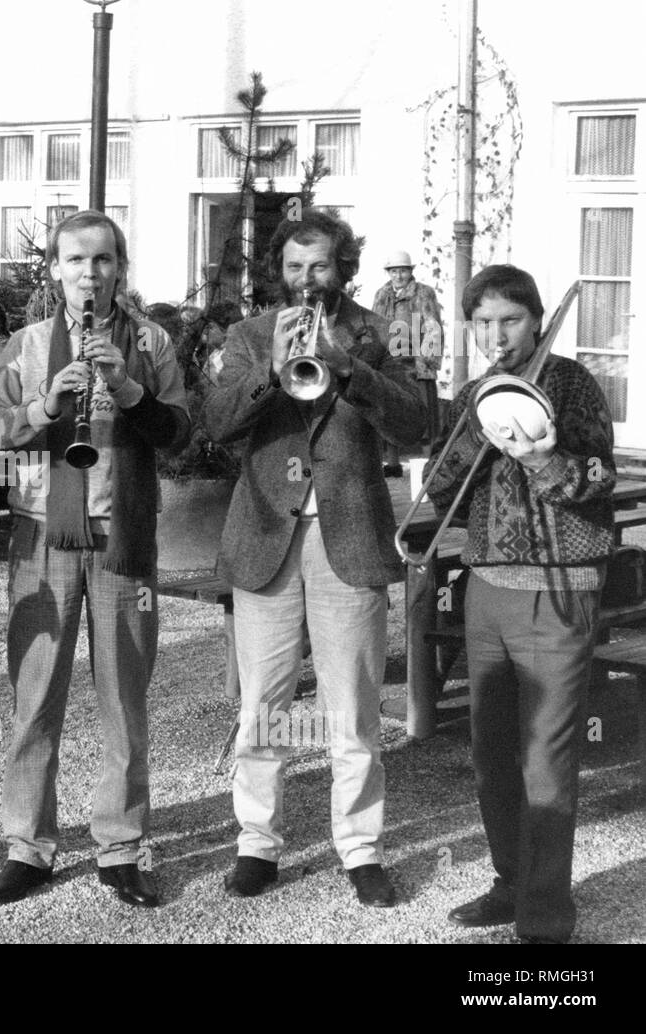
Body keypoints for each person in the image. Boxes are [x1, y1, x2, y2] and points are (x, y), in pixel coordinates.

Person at [204, 209, 426, 907]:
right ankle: (256, 845)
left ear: (343, 268)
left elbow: (420, 422)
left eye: (320, 266)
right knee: (262, 705)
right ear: (281, 271)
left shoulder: (375, 333)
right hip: (266, 534)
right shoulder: (247, 335)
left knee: (353, 706)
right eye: (295, 268)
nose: (307, 279)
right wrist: (269, 374)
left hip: (350, 536)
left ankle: (360, 848)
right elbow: (215, 426)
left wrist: (348, 368)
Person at [0, 210, 191, 908]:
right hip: (43, 534)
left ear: (119, 269)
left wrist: (127, 389)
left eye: (101, 261)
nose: (88, 275)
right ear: (54, 269)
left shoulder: (152, 341)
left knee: (125, 699)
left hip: (124, 534)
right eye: (75, 261)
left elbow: (181, 434)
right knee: (35, 696)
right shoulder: (28, 343)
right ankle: (28, 846)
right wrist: (45, 405)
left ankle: (122, 847)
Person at [428, 265, 615, 944]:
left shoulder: (569, 382)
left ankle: (544, 917)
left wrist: (543, 459)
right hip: (488, 591)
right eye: (482, 323)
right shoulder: (476, 391)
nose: (495, 334)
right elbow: (442, 489)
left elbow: (601, 476)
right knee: (491, 752)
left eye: (509, 320)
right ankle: (511, 882)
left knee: (545, 759)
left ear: (535, 319)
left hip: (558, 588)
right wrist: (476, 430)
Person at [372, 249, 445, 457]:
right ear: (389, 273)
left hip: (417, 362)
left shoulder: (423, 293)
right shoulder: (382, 295)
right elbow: (375, 326)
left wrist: (425, 360)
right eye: (394, 271)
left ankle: (429, 459)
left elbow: (433, 327)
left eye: (402, 271)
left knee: (424, 413)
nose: (398, 276)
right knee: (391, 412)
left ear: (410, 272)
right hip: (390, 362)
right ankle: (392, 463)